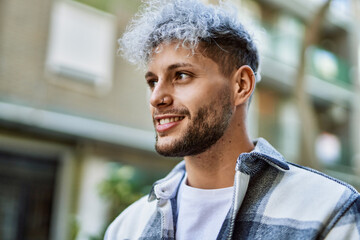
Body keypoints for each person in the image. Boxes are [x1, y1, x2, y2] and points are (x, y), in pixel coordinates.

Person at [105, 0, 360, 239]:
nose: (156, 97)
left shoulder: (328, 211)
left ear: (241, 85)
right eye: (152, 81)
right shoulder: (126, 228)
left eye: (181, 75)